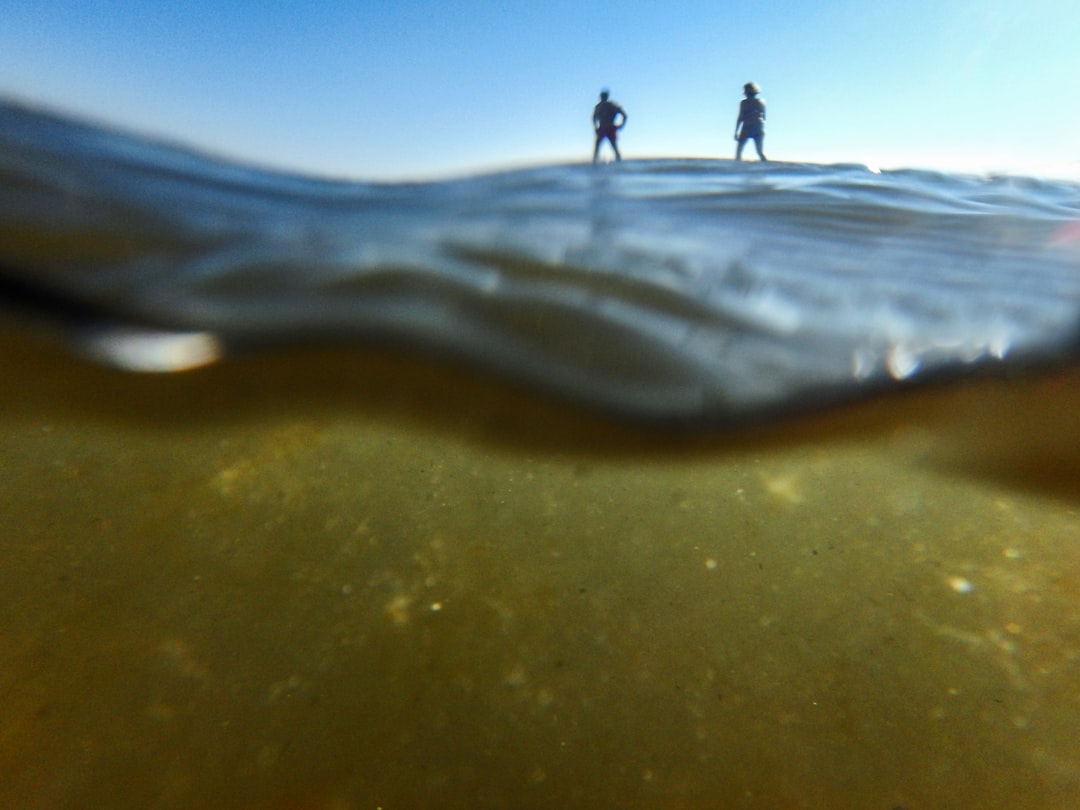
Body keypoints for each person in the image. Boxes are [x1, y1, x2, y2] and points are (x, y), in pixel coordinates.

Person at [734, 82, 767, 162]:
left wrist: (736, 131)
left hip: (748, 126)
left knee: (739, 151)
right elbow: (764, 117)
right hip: (759, 126)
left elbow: (740, 117)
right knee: (760, 152)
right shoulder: (761, 101)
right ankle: (767, 167)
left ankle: (737, 168)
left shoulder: (744, 102)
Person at [593, 90, 627, 163]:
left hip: (610, 129)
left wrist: (621, 125)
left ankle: (619, 163)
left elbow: (624, 115)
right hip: (602, 129)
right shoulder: (598, 107)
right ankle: (594, 164)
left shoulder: (612, 105)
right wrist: (595, 127)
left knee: (614, 147)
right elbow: (594, 118)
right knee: (597, 147)